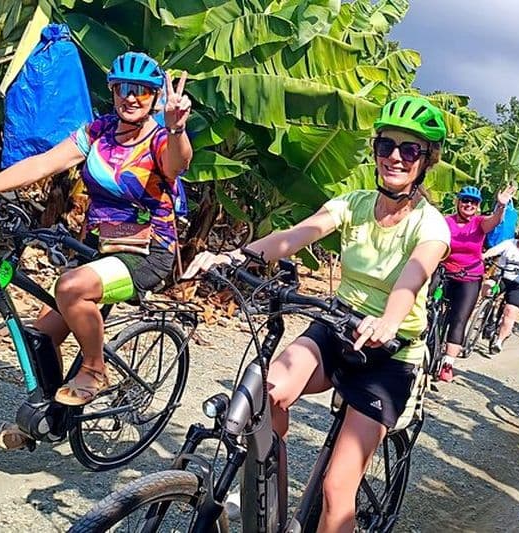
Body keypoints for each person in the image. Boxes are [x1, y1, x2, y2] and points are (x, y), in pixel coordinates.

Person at [184, 95, 450, 533]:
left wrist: (387, 320)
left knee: (336, 493)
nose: (395, 158)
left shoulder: (430, 225)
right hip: (336, 329)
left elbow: (413, 277)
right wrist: (236, 256)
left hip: (389, 356)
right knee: (265, 395)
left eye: (410, 150)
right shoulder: (354, 204)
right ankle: (269, 502)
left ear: (426, 161)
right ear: (375, 150)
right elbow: (297, 234)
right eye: (386, 146)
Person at [0, 52, 193, 436]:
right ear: (113, 91)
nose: (131, 98)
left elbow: (176, 165)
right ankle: (50, 421)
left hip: (148, 254)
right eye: (123, 89)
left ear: (154, 98)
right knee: (40, 337)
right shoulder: (98, 132)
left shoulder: (161, 139)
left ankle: (94, 369)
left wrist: (177, 128)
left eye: (143, 92)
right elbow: (44, 163)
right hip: (101, 251)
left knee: (69, 288)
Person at [435, 184, 516, 382]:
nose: (468, 205)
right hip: (445, 271)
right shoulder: (446, 222)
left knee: (459, 319)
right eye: (465, 200)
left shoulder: (479, 223)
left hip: (469, 277)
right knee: (427, 304)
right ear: (458, 202)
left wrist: (501, 206)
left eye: (473, 202)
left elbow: (494, 221)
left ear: (478, 206)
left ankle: (447, 364)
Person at [481, 219, 519, 353]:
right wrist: (484, 255)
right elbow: (496, 250)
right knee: (487, 287)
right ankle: (486, 311)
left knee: (510, 312)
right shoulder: (510, 243)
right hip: (502, 276)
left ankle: (499, 341)